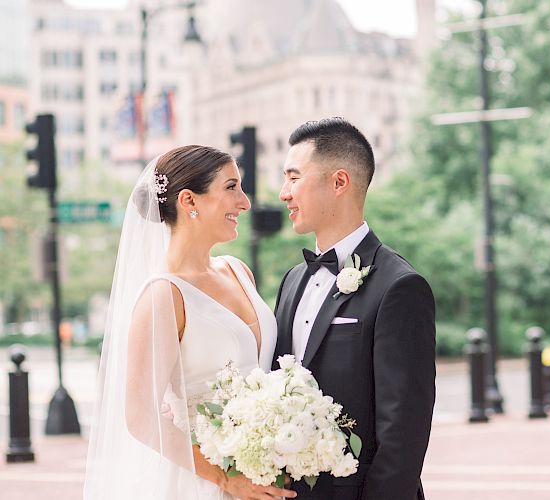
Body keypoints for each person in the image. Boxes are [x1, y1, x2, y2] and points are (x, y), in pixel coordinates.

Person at [84, 146, 296, 500]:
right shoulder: (162, 295)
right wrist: (226, 480)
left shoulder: (238, 271)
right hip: (204, 483)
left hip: (265, 474)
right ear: (188, 200)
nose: (244, 202)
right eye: (231, 188)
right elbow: (141, 417)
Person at [274, 118, 436, 500]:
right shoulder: (291, 281)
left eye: (294, 178)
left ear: (339, 182)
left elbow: (405, 429)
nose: (284, 193)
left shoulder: (399, 286)